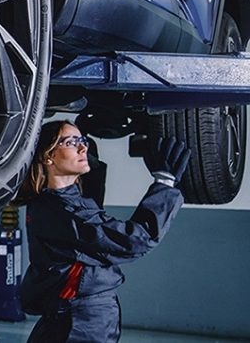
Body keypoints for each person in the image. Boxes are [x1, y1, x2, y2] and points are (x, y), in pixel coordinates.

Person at [19, 120, 190, 342]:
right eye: (71, 142)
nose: (83, 147)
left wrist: (91, 138)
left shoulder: (48, 202)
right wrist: (164, 184)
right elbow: (133, 240)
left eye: (82, 140)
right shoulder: (66, 212)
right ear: (47, 156)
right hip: (81, 322)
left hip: (67, 315)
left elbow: (90, 203)